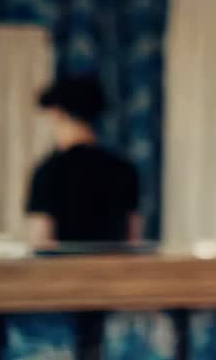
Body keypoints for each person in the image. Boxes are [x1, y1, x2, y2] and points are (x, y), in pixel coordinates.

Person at [26, 74, 142, 246]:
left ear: (57, 113)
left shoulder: (48, 171)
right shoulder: (124, 169)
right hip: (113, 269)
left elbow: (40, 239)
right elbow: (133, 237)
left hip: (62, 271)